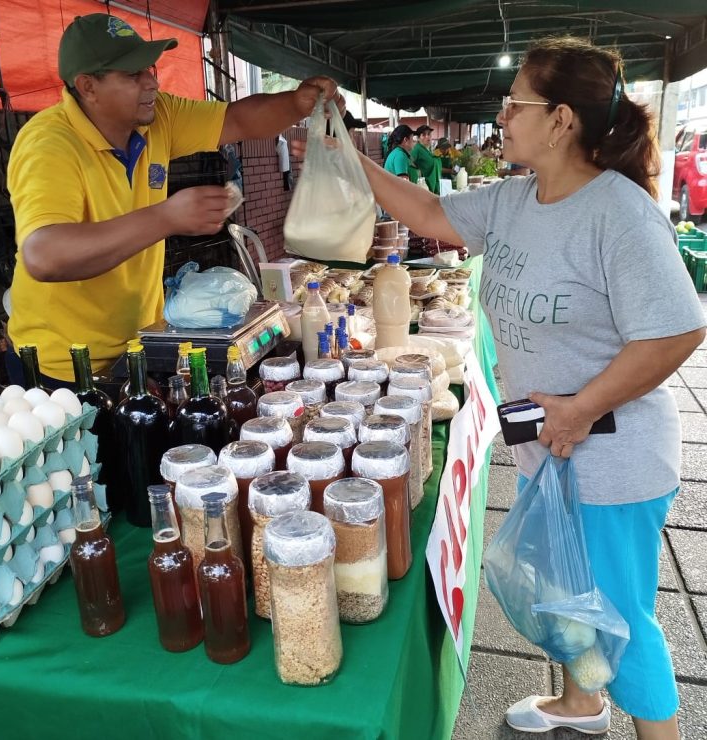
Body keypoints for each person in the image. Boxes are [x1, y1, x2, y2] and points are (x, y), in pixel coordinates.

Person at [296, 36, 705, 740]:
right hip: (556, 446)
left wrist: (581, 409)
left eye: (518, 102)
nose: (504, 114)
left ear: (562, 121)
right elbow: (427, 213)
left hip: (611, 455)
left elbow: (677, 332)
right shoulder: (517, 199)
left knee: (624, 618)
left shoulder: (619, 213)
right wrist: (345, 154)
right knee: (574, 596)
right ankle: (581, 705)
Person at [6, 13, 342, 387]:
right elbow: (45, 256)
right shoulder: (49, 144)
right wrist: (165, 218)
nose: (152, 82)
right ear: (87, 86)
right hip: (62, 365)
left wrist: (297, 103)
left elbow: (240, 120)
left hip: (137, 344)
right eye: (133, 75)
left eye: (151, 68)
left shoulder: (158, 115)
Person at [411, 124, 441, 194]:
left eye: (429, 134)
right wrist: (418, 172)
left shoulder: (428, 149)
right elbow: (410, 163)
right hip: (425, 188)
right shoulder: (417, 149)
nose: (427, 137)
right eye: (423, 135)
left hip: (434, 186)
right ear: (418, 138)